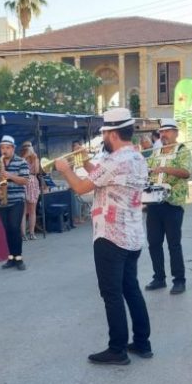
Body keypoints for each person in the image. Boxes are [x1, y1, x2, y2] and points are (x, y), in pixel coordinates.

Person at [55, 108, 151, 365]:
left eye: (105, 134)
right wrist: (85, 162)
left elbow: (80, 187)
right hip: (132, 234)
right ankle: (142, 342)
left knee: (112, 294)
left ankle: (117, 349)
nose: (103, 138)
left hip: (110, 236)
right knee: (131, 289)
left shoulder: (114, 161)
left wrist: (65, 169)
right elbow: (102, 177)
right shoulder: (137, 158)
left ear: (113, 133)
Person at [144, 118, 191, 295]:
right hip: (154, 203)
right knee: (154, 242)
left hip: (173, 203)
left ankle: (179, 280)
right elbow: (147, 171)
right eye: (162, 131)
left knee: (173, 244)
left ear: (176, 133)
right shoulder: (156, 152)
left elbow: (185, 172)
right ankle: (159, 278)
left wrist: (165, 170)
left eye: (168, 131)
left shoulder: (182, 151)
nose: (163, 134)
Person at [0, 136, 30, 270]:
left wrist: (9, 175)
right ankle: (11, 257)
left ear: (13, 148)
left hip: (17, 200)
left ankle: (19, 258)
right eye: (2, 148)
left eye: (7, 148)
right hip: (2, 201)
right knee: (7, 230)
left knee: (14, 227)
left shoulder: (21, 162)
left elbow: (25, 180)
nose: (4, 150)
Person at [20, 141, 41, 240]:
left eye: (30, 146)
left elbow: (36, 171)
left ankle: (32, 233)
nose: (29, 148)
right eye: (27, 146)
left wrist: (34, 158)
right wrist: (25, 157)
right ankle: (23, 234)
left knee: (32, 210)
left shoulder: (34, 157)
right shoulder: (20, 158)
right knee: (23, 211)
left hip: (32, 182)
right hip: (23, 183)